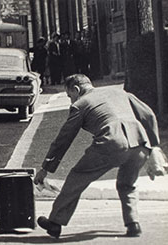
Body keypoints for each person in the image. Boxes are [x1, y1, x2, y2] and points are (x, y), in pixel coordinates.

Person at [34, 74, 160, 238]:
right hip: (140, 144)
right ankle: (133, 223)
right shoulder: (120, 93)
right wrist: (155, 146)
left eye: (69, 96)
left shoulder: (80, 104)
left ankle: (55, 223)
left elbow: (63, 140)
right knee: (127, 184)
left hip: (111, 144)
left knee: (77, 178)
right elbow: (149, 115)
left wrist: (45, 169)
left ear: (76, 90)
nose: (71, 101)